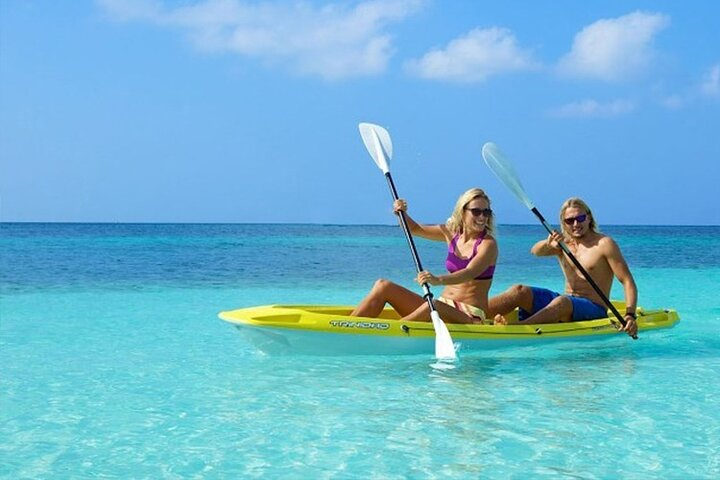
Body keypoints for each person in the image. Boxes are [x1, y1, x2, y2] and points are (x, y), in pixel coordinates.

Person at [489, 197, 638, 336]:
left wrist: (630, 315)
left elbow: (627, 281)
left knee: (562, 302)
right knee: (519, 290)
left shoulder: (604, 244)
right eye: (570, 220)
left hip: (594, 308)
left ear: (589, 217)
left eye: (580, 218)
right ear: (563, 222)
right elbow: (535, 251)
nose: (576, 224)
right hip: (564, 301)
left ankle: (516, 330)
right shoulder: (563, 243)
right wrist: (548, 244)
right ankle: (475, 316)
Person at [350, 188, 499, 324]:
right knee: (383, 286)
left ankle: (394, 331)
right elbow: (414, 229)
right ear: (462, 211)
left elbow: (469, 273)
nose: (482, 217)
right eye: (476, 211)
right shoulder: (451, 233)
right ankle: (349, 327)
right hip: (442, 305)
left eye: (486, 212)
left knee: (433, 305)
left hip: (469, 316)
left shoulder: (488, 244)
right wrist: (401, 213)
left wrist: (437, 279)